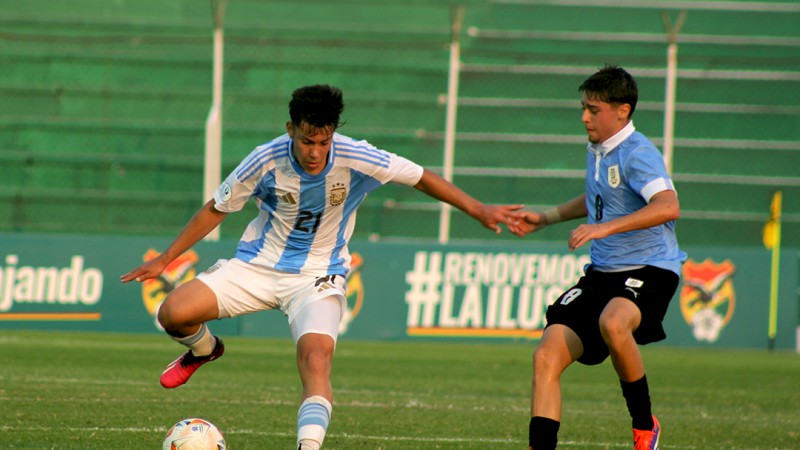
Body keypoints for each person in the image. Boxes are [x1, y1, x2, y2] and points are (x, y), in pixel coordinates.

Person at [120, 84, 524, 450]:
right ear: (290, 129)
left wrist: (477, 208)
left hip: (318, 276)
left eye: (324, 141)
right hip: (257, 267)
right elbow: (217, 208)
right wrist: (165, 259)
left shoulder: (356, 155)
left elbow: (419, 177)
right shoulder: (264, 159)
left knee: (316, 360)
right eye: (307, 141)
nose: (316, 152)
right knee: (172, 313)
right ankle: (205, 350)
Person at [515, 65, 687, 450]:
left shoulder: (638, 153)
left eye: (593, 109)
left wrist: (603, 228)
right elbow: (598, 200)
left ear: (622, 111)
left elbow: (668, 206)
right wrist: (546, 218)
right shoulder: (598, 149)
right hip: (602, 274)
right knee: (547, 354)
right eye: (584, 108)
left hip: (650, 268)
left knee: (614, 322)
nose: (584, 117)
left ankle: (645, 425)